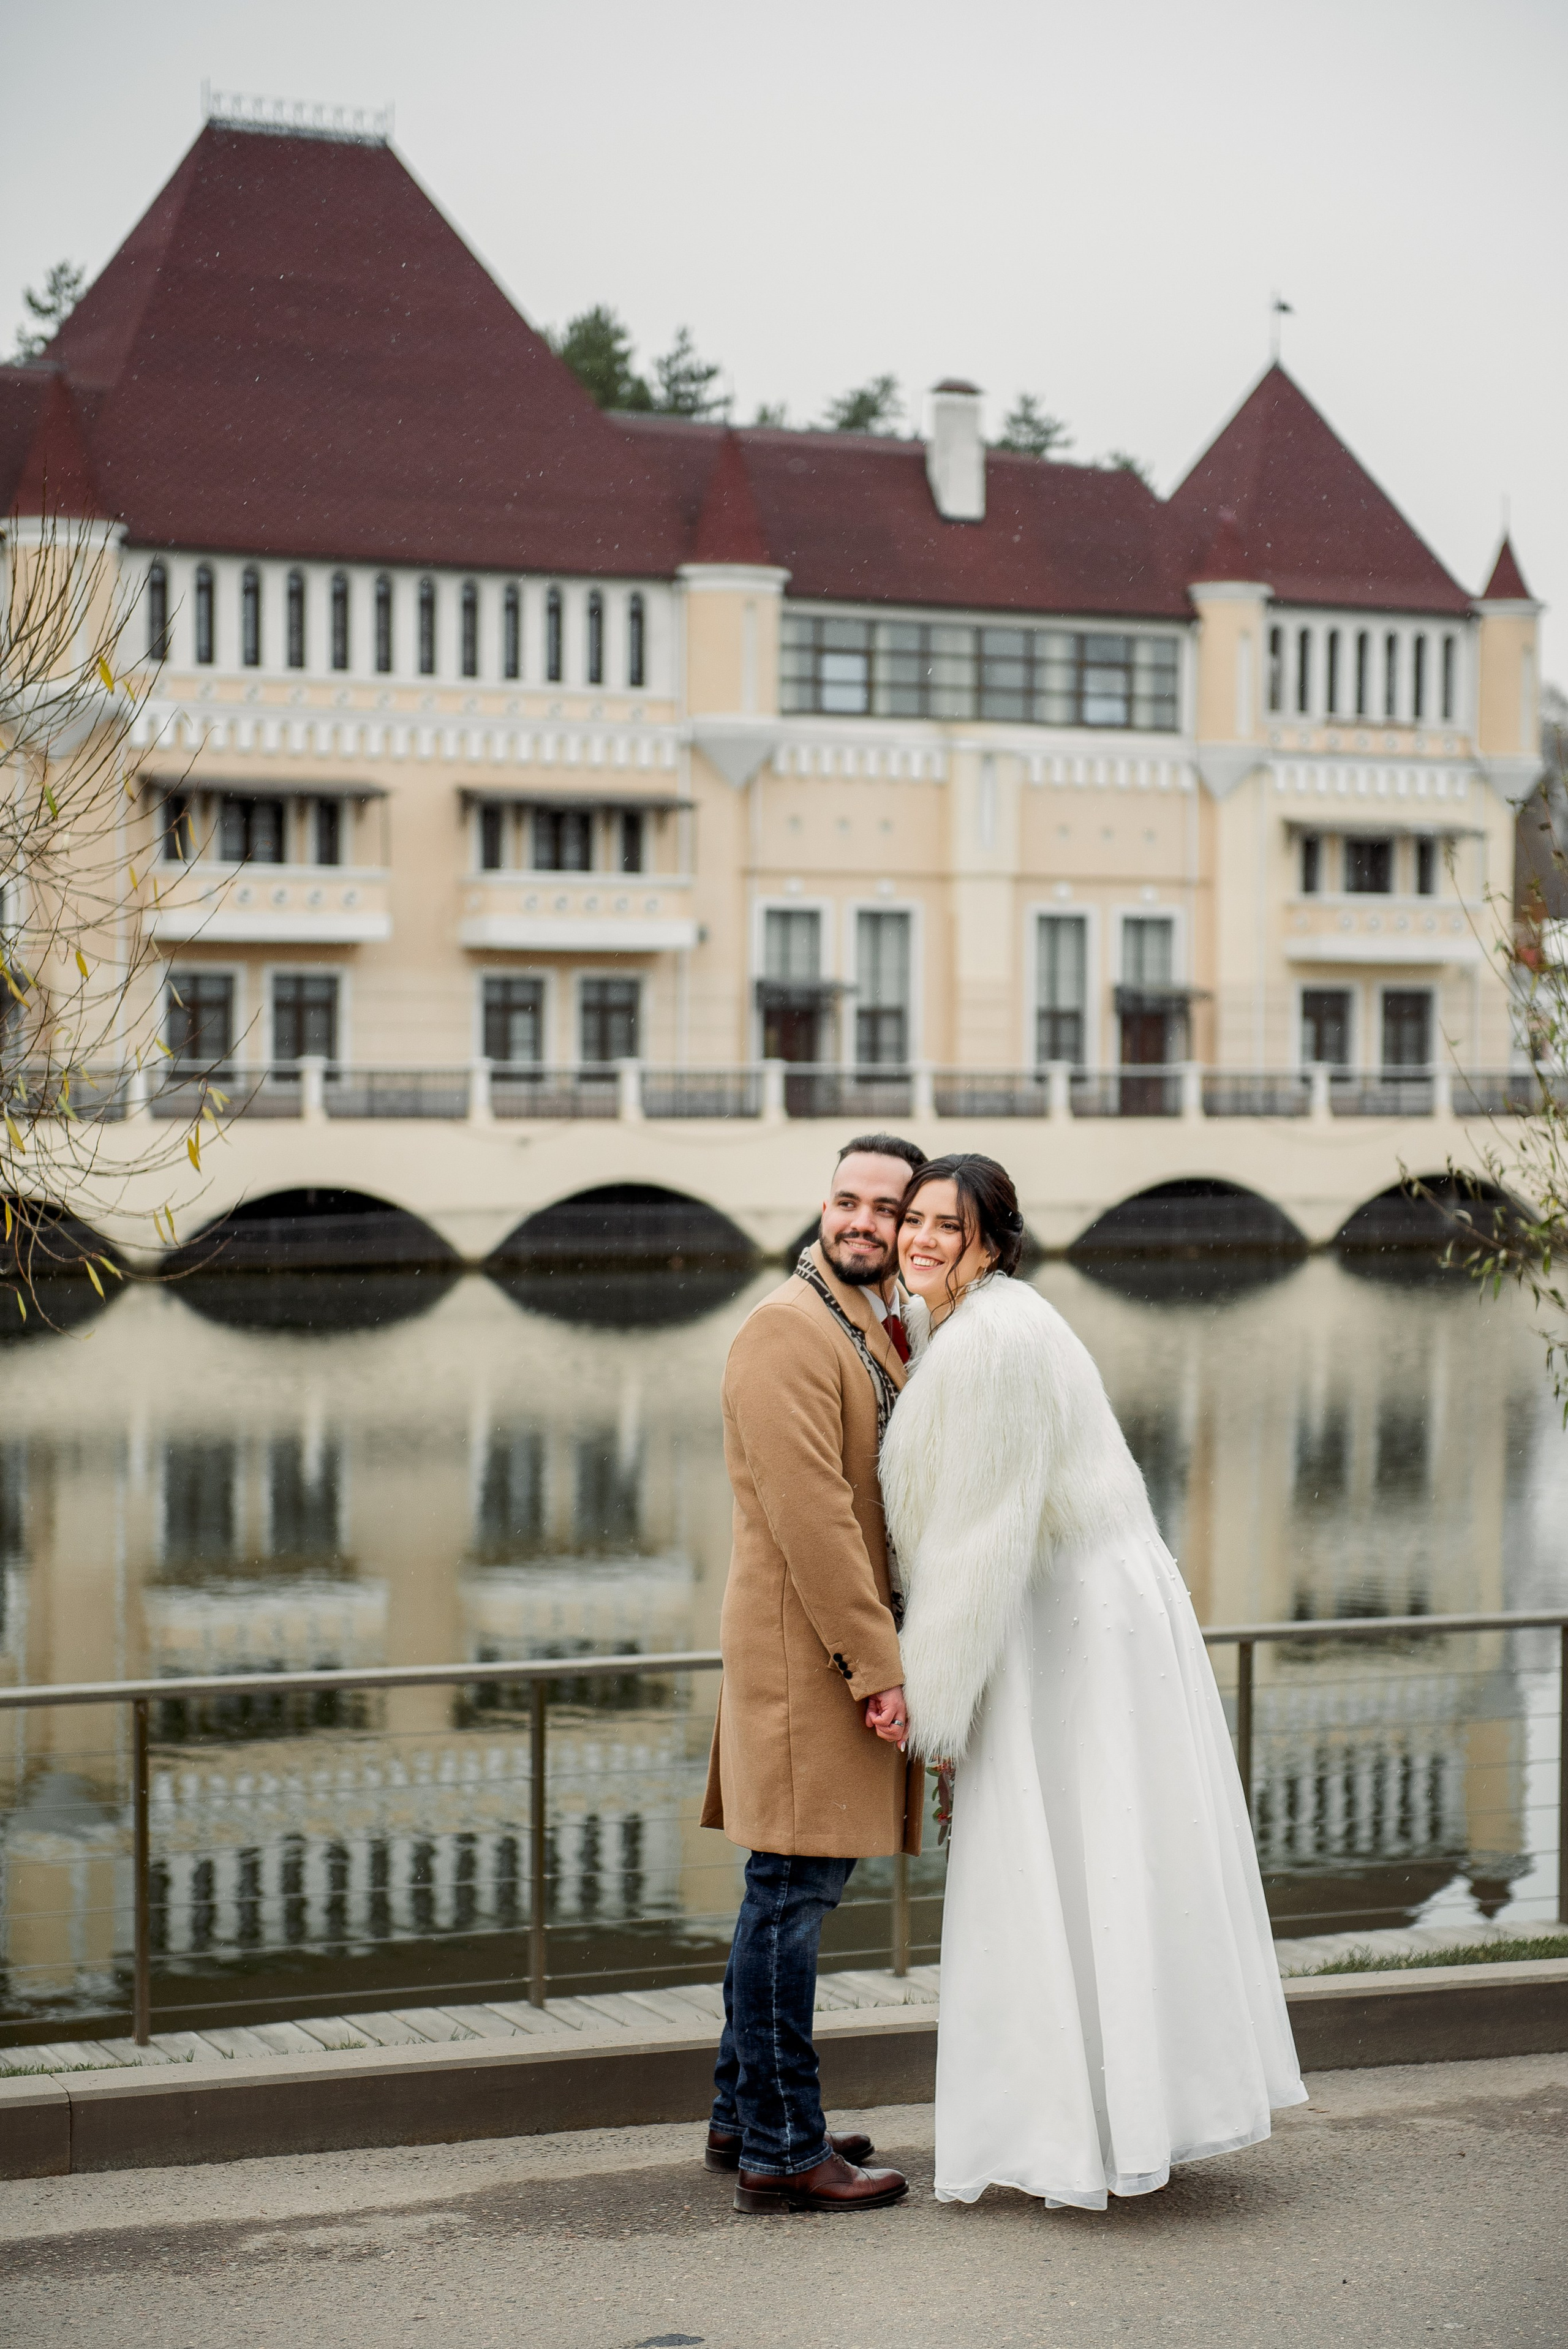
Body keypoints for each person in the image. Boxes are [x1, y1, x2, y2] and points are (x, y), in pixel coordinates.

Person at [877, 1151, 1305, 2210]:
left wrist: (931, 1699)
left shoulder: (991, 1342)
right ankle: (1115, 2113)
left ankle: (1083, 2127)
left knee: (1074, 1850)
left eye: (948, 1225)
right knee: (1105, 1853)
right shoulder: (989, 1323)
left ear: (993, 1239)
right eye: (914, 1221)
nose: (922, 1239)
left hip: (1066, 1620)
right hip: (1080, 1608)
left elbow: (980, 1538)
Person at [700, 1133, 928, 2215]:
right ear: (824, 1206)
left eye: (888, 1208)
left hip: (816, 1655)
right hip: (810, 1663)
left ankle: (749, 2114)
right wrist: (877, 1666)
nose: (864, 1222)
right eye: (849, 1200)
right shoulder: (789, 1330)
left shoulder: (859, 1323)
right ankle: (786, 2149)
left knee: (780, 1898)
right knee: (791, 1899)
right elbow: (815, 1519)